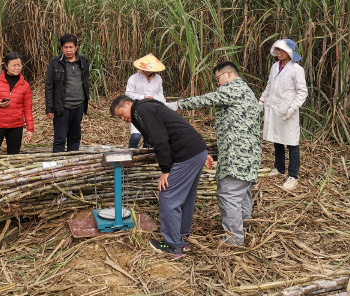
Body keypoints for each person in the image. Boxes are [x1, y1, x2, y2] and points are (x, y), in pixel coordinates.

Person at [169, 61, 262, 246]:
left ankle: (234, 241)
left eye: (217, 79)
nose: (217, 83)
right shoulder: (247, 92)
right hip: (250, 156)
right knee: (243, 194)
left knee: (229, 195)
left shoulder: (233, 88)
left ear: (228, 74)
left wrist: (176, 105)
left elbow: (205, 99)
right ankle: (245, 228)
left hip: (238, 157)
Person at [110, 95, 208, 257]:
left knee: (168, 196)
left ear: (128, 104)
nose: (123, 118)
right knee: (186, 197)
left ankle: (174, 246)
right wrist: (201, 153)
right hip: (196, 149)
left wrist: (165, 170)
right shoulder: (144, 109)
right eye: (119, 118)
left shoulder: (141, 109)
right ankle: (182, 237)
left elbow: (160, 138)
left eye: (121, 113)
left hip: (187, 152)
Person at [259, 39, 308, 191]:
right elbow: (269, 86)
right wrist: (261, 100)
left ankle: (293, 175)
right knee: (277, 139)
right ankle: (279, 168)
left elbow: (302, 92)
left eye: (282, 50)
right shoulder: (275, 67)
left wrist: (293, 108)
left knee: (292, 143)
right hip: (274, 109)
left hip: (288, 110)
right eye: (277, 50)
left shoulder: (296, 69)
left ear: (290, 52)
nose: (279, 53)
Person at [0, 52, 34, 156]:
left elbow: (28, 109)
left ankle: (11, 172)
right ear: (6, 66)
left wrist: (30, 129)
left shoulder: (25, 85)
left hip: (16, 125)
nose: (17, 68)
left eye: (19, 65)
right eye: (13, 65)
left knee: (14, 155)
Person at [45, 34, 90, 153]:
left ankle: (72, 163)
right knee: (60, 138)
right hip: (62, 106)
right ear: (61, 48)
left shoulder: (83, 62)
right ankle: (59, 165)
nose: (68, 50)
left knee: (75, 137)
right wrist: (49, 108)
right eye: (65, 47)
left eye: (71, 47)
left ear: (76, 47)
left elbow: (85, 82)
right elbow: (49, 86)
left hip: (79, 104)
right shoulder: (55, 63)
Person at [125, 53, 168, 148]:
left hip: (152, 109)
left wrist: (160, 102)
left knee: (149, 135)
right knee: (136, 136)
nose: (148, 71)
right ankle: (131, 153)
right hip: (137, 108)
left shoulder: (158, 79)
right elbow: (128, 93)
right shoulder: (134, 78)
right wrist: (143, 97)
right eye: (146, 69)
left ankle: (146, 156)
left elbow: (160, 93)